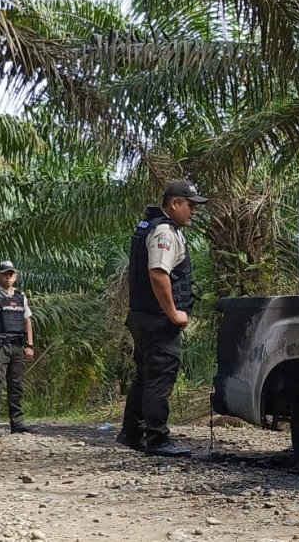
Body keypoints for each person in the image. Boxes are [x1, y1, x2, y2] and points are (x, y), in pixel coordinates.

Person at [117, 179, 207, 457]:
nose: (194, 211)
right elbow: (158, 274)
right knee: (159, 377)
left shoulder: (155, 226)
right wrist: (173, 313)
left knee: (145, 376)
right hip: (158, 319)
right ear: (174, 203)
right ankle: (158, 440)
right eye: (190, 205)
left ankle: (131, 433)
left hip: (143, 316)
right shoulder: (164, 232)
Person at [0, 260, 39, 437]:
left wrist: (30, 345)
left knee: (17, 386)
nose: (8, 277)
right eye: (4, 273)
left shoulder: (21, 296)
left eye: (11, 273)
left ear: (16, 276)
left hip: (18, 346)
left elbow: (27, 321)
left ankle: (17, 423)